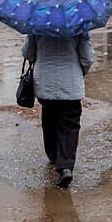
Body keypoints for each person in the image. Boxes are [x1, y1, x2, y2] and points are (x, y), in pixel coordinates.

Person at [22, 31, 94, 188]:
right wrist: (80, 72)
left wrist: (32, 37)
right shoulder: (78, 26)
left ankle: (54, 155)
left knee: (49, 116)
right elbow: (87, 58)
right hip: (70, 84)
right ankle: (65, 166)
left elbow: (28, 53)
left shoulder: (37, 24)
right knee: (70, 124)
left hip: (44, 83)